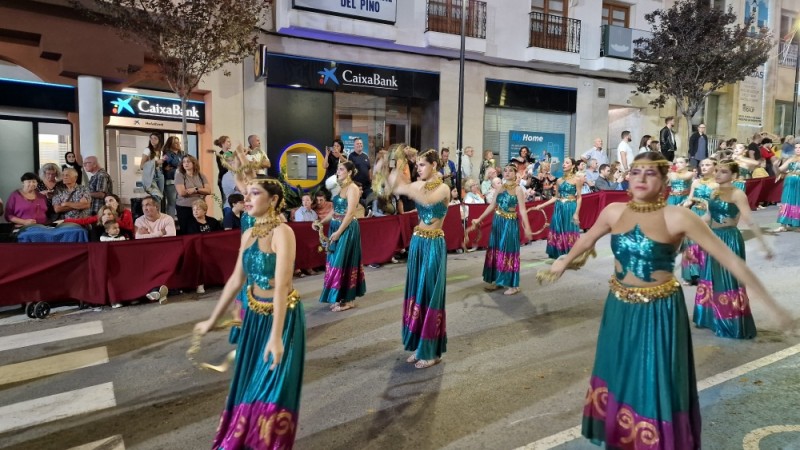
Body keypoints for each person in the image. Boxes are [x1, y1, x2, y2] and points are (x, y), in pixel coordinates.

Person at [537, 151, 791, 450]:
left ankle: (656, 440)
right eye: (636, 172)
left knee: (654, 376)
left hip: (660, 311)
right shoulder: (613, 211)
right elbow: (587, 239)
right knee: (620, 370)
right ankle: (623, 435)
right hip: (619, 306)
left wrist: (774, 307)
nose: (641, 178)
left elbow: (732, 261)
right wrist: (563, 262)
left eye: (651, 173)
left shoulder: (679, 216)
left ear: (663, 181)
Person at [194, 177, 304, 449]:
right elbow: (235, 280)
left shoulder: (283, 233)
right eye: (247, 193)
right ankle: (244, 439)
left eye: (255, 193)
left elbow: (282, 286)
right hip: (254, 317)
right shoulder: (249, 233)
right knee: (248, 382)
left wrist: (276, 337)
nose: (247, 198)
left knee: (271, 387)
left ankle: (266, 443)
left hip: (281, 319)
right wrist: (212, 319)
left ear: (274, 200)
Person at [693, 159, 772, 339]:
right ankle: (710, 318)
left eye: (724, 172)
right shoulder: (713, 192)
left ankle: (730, 322)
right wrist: (688, 225)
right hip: (713, 237)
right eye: (717, 171)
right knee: (710, 277)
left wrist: (764, 244)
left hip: (729, 239)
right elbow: (708, 216)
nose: (718, 174)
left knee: (727, 280)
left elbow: (750, 220)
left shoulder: (738, 194)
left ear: (734, 175)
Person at [388, 148, 450, 369]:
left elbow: (426, 198)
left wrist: (407, 186)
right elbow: (393, 186)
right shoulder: (417, 185)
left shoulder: (443, 188)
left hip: (433, 245)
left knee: (429, 294)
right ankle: (419, 346)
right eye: (417, 165)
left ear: (434, 165)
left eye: (422, 165)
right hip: (418, 243)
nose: (419, 169)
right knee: (417, 292)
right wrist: (393, 163)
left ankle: (431, 351)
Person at [470, 164, 534, 295]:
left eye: (510, 171)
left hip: (510, 223)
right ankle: (498, 280)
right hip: (498, 221)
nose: (507, 173)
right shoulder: (500, 187)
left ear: (515, 174)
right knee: (496, 250)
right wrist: (479, 218)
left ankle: (513, 285)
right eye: (505, 171)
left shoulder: (518, 189)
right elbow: (492, 205)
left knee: (507, 251)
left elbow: (522, 210)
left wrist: (527, 227)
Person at [314, 161, 366, 312]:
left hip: (347, 229)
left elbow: (350, 213)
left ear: (349, 172)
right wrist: (321, 222)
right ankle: (338, 296)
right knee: (334, 262)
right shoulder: (341, 187)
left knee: (343, 262)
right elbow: (334, 210)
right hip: (335, 226)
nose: (338, 171)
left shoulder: (353, 188)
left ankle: (348, 300)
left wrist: (338, 232)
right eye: (337, 169)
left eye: (341, 169)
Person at [534, 158, 584, 259]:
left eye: (567, 163)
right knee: (558, 229)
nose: (564, 164)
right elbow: (555, 197)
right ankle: (558, 253)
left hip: (570, 207)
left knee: (569, 229)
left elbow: (579, 197)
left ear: (573, 166)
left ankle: (571, 254)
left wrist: (576, 213)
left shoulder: (577, 179)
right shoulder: (559, 180)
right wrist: (542, 205)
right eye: (563, 162)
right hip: (559, 208)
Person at [681, 159, 717, 285]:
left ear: (715, 167)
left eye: (707, 165)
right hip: (695, 213)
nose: (704, 167)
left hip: (710, 214)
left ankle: (706, 274)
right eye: (702, 165)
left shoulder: (717, 184)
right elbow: (690, 199)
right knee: (691, 243)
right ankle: (691, 274)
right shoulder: (696, 182)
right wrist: (685, 205)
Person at [175, 154, 212, 234]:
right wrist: (201, 191)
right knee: (186, 231)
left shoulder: (200, 175)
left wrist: (195, 190)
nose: (186, 163)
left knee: (199, 230)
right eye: (184, 162)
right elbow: (182, 192)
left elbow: (208, 191)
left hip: (199, 207)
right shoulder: (180, 175)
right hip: (184, 208)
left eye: (188, 161)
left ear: (193, 163)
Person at [775, 142, 800, 232]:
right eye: (796, 147)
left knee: (798, 201)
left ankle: (797, 224)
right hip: (789, 181)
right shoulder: (791, 159)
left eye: (799, 147)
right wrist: (775, 166)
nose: (797, 149)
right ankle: (783, 224)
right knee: (786, 200)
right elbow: (780, 169)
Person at [162, 136, 184, 217]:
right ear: (170, 144)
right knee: (172, 203)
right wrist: (180, 166)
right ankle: (170, 221)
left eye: (179, 142)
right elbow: (174, 162)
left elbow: (186, 163)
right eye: (175, 143)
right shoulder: (167, 154)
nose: (178, 144)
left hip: (181, 182)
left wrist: (177, 167)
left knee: (181, 202)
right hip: (171, 181)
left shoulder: (182, 153)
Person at [141, 132, 165, 206]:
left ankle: (157, 212)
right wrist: (156, 162)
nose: (152, 140)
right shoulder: (147, 150)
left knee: (159, 198)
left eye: (155, 138)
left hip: (160, 173)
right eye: (151, 138)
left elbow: (160, 164)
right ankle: (151, 211)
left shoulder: (160, 151)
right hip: (151, 175)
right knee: (157, 196)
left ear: (159, 140)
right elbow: (142, 166)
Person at [348, 137, 371, 202]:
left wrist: (371, 180)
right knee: (358, 203)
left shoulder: (366, 156)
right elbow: (349, 170)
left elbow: (369, 169)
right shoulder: (351, 156)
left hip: (367, 186)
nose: (359, 145)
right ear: (354, 145)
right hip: (356, 186)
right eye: (357, 143)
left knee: (369, 201)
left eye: (360, 143)